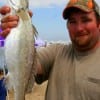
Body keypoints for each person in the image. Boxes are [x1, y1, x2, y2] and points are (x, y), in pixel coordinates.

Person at [0, 0, 100, 100]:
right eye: (73, 21)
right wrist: (16, 36)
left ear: (98, 24)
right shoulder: (57, 52)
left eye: (86, 20)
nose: (79, 28)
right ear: (67, 26)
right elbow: (30, 64)